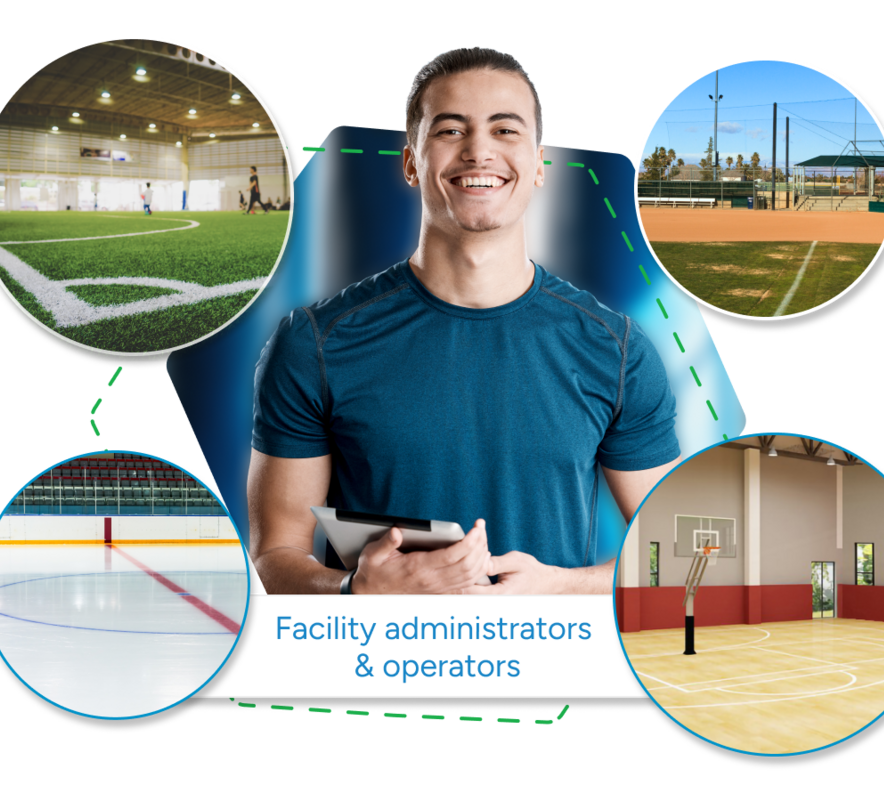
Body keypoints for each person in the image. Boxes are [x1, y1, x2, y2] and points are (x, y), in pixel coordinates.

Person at [249, 46, 681, 595]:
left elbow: (669, 555)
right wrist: (355, 591)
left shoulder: (616, 350)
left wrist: (561, 587)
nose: (479, 151)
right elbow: (275, 552)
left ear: (540, 166)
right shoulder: (315, 344)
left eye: (505, 131)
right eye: (451, 130)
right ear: (411, 163)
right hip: (383, 672)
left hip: (550, 673)